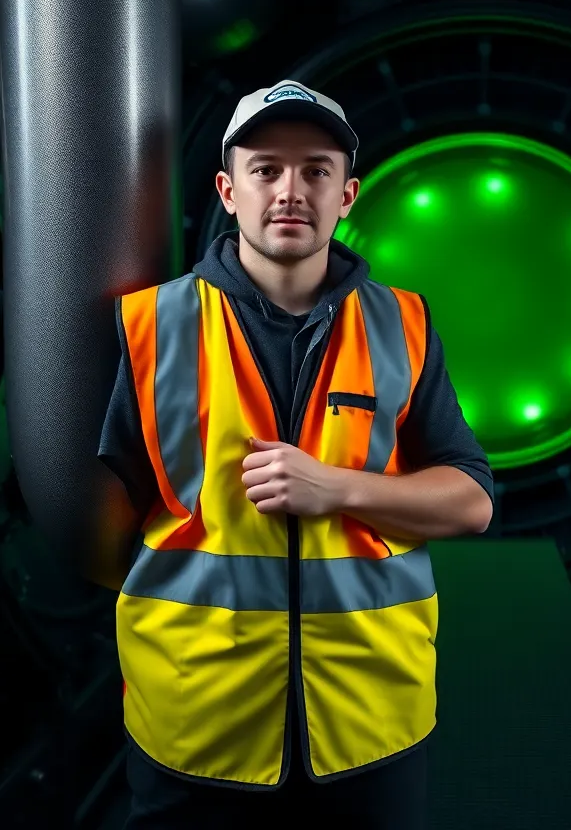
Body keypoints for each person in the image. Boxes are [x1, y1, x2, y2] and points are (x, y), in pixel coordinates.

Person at [96, 79, 495, 828]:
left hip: (370, 724)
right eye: (265, 169)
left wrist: (337, 489)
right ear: (227, 189)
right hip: (194, 722)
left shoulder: (402, 323)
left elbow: (472, 501)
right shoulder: (149, 325)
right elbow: (100, 523)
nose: (290, 190)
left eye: (315, 170)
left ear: (347, 194)